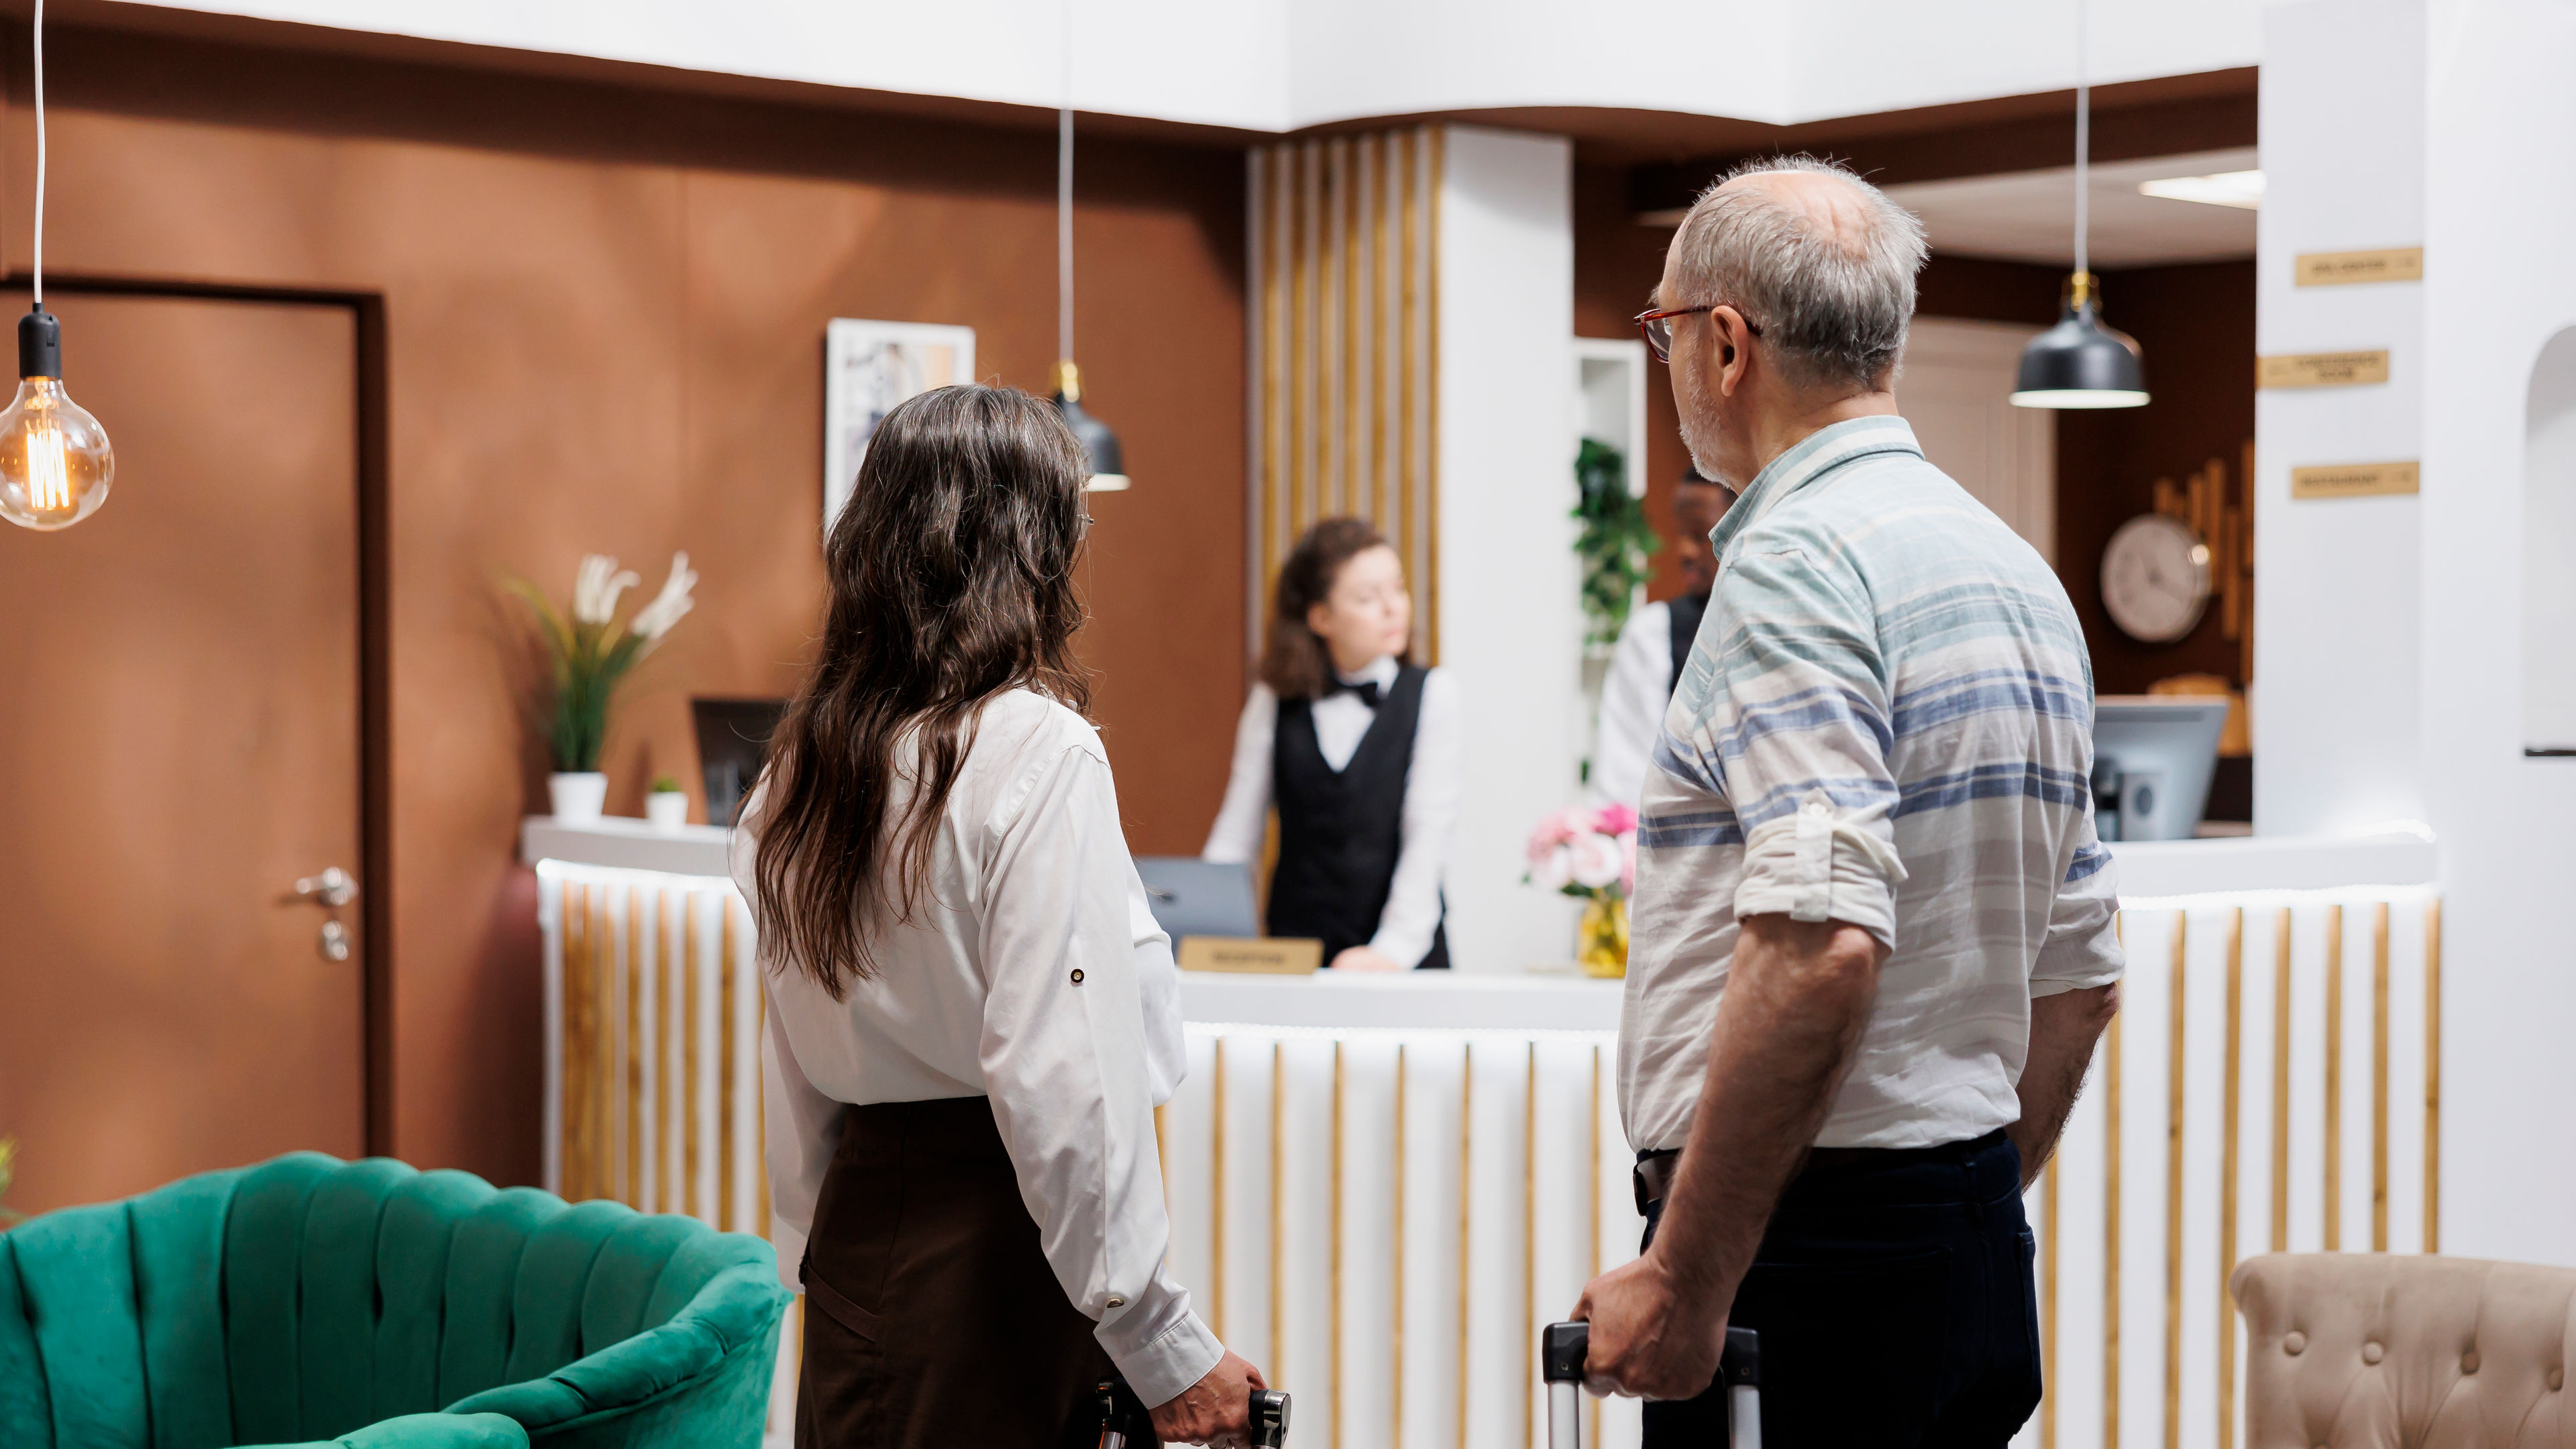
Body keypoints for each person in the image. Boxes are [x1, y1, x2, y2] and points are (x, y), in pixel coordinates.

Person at [1573, 155, 2125, 1446]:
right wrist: (1955, 1198)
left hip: (1804, 1262)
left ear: (1724, 345)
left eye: (1661, 331)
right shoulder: (2015, 571)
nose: (1666, 367)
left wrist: (1691, 1274)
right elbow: (2083, 972)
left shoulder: (1792, 564)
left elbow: (1822, 943)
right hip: (1970, 1234)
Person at [741, 384, 1266, 1449]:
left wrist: (819, 1251)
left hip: (857, 1246)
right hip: (1000, 1257)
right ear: (1030, 550)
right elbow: (1062, 1081)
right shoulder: (1037, 749)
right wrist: (1161, 1337)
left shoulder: (797, 769)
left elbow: (791, 1065)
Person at [1203, 517, 1459, 970]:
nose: (1393, 608)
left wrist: (1390, 952)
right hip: (1297, 954)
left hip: (1403, 959)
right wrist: (1201, 933)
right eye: (1367, 597)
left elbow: (1428, 833)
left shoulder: (1433, 694)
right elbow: (1237, 836)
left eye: (1397, 589)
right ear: (1320, 617)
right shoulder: (1274, 700)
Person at [1589, 466, 1737, 812]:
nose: (1684, 550)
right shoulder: (1654, 631)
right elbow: (1623, 770)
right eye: (1680, 533)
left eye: (1702, 535)